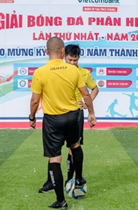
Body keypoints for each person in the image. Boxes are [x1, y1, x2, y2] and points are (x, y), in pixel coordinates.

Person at [28, 36, 96, 210]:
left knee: (54, 159)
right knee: (75, 145)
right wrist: (91, 113)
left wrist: (32, 117)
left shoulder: (40, 72)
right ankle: (79, 178)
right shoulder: (74, 70)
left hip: (53, 120)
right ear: (63, 51)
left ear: (45, 52)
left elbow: (35, 101)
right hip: (73, 116)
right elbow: (86, 94)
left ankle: (61, 201)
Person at [40, 44, 99, 193]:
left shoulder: (83, 73)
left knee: (73, 147)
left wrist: (87, 104)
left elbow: (95, 88)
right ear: (64, 56)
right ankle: (51, 182)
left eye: (75, 60)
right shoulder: (58, 71)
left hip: (75, 114)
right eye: (70, 59)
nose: (72, 63)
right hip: (58, 114)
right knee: (54, 151)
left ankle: (71, 179)